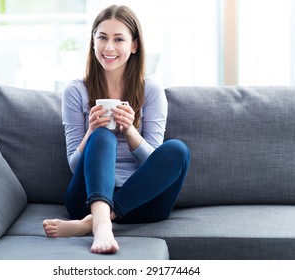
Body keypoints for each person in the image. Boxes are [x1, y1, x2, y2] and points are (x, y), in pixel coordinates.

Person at [43, 4, 190, 254]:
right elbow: (74, 166)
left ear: (133, 46)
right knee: (101, 135)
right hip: (87, 199)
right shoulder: (76, 91)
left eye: (118, 39)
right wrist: (90, 133)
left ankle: (93, 223)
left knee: (178, 150)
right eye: (102, 37)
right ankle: (100, 224)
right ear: (92, 42)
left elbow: (155, 164)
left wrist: (130, 131)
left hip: (143, 200)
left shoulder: (151, 90)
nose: (108, 47)